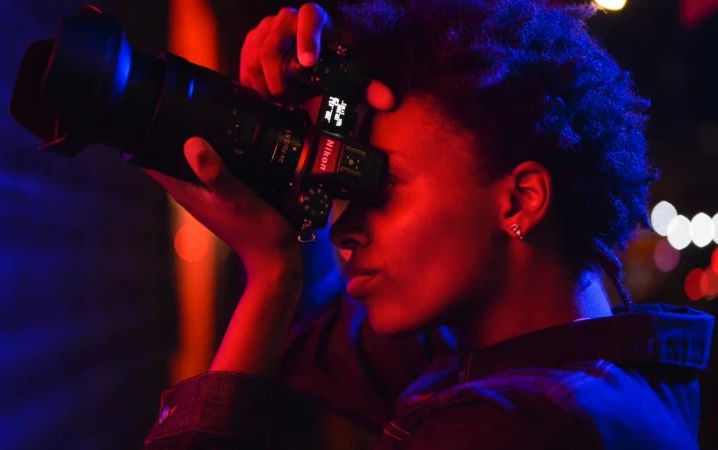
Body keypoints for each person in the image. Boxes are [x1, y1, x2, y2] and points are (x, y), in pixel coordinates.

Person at [142, 1, 714, 448]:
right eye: (349, 188)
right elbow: (313, 342)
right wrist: (301, 133)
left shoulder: (506, 428)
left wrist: (270, 273)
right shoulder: (612, 373)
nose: (344, 231)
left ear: (520, 200)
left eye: (382, 188)